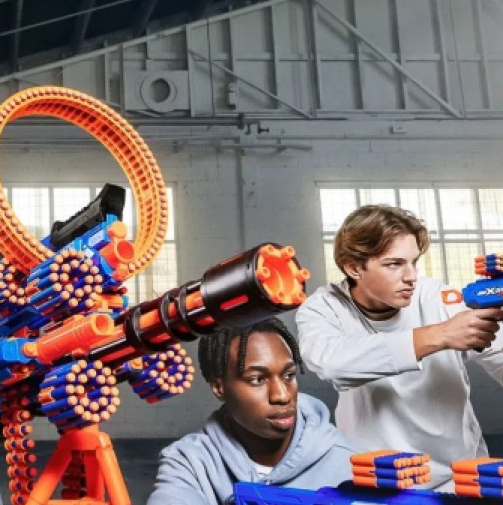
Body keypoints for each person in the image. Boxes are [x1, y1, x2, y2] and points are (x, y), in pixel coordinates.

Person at [296, 204, 503, 489]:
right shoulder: (323, 308)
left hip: (460, 476)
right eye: (394, 264)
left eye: (414, 262)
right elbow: (333, 363)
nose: (411, 276)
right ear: (353, 267)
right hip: (378, 479)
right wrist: (440, 335)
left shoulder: (437, 297)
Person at [146, 318, 355, 505]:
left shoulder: (348, 463)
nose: (282, 395)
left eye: (288, 376)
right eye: (257, 379)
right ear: (219, 387)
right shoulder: (189, 462)